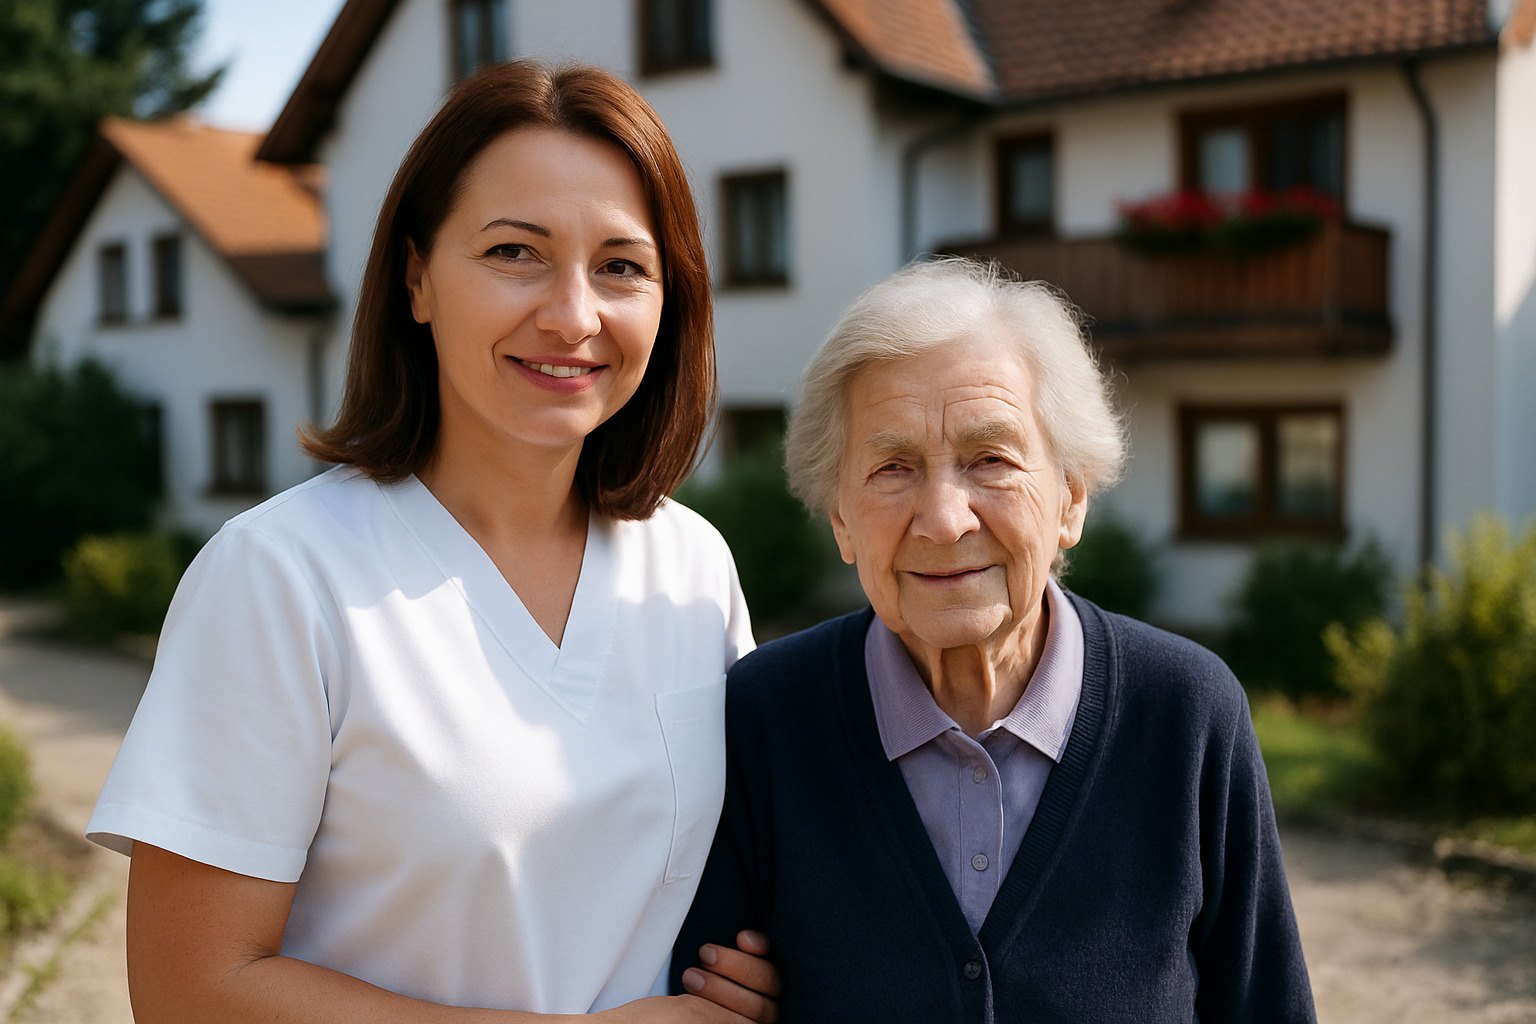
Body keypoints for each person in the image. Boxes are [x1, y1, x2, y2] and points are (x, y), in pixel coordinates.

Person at [87, 60, 780, 1023]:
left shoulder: (691, 565)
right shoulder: (281, 577)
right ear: (418, 279)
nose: (573, 315)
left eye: (621, 266)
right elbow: (189, 990)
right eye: (514, 253)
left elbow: (711, 875)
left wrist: (754, 969)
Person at [673, 257, 1317, 1022]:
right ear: (841, 518)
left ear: (1070, 498)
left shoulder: (1187, 715)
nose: (945, 518)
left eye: (991, 460)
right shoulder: (763, 719)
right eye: (892, 467)